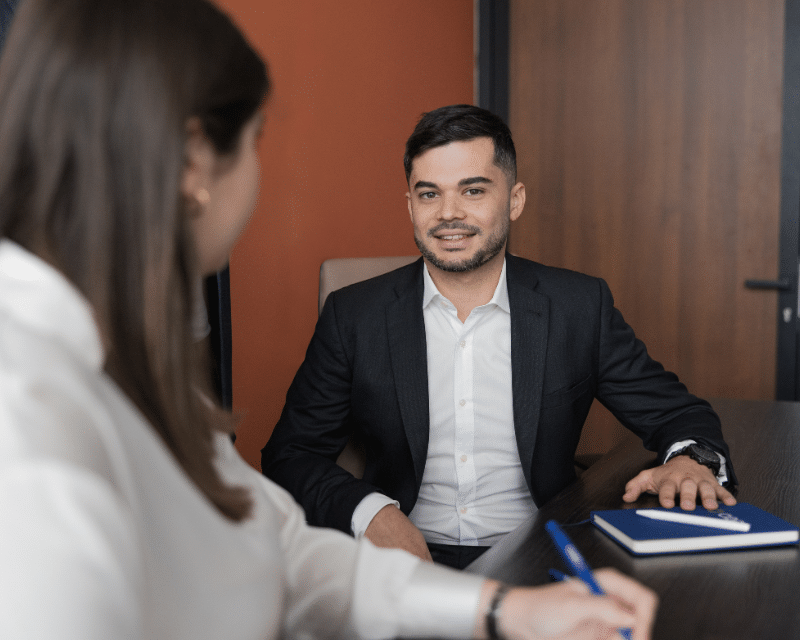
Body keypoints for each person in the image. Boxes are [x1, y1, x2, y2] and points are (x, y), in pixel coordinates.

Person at [0, 1, 658, 639]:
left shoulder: (135, 355)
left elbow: (279, 547)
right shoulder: (29, 419)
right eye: (257, 141)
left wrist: (502, 611)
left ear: (513, 200)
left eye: (472, 190)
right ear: (196, 163)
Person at [261, 104, 738, 570]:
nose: (448, 214)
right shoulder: (354, 315)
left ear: (514, 199)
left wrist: (690, 461)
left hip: (542, 553)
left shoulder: (576, 307)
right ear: (409, 205)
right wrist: (373, 513)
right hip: (405, 561)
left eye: (472, 191)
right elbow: (291, 455)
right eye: (429, 194)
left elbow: (680, 414)